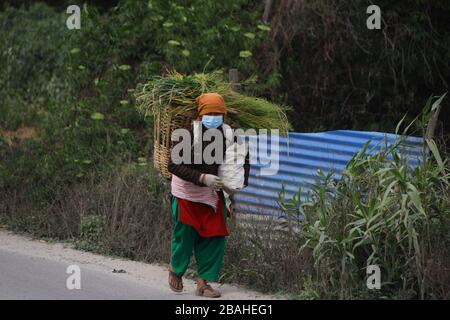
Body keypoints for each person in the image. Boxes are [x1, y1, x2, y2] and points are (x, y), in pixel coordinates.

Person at [167, 92, 249, 298]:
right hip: (186, 192)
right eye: (209, 112)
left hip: (212, 194)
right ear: (201, 114)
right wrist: (202, 178)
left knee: (215, 235)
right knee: (185, 234)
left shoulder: (230, 135)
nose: (214, 116)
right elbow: (173, 164)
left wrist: (238, 183)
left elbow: (243, 160)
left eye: (217, 113)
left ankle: (203, 283)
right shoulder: (188, 133)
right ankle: (176, 269)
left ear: (224, 115)